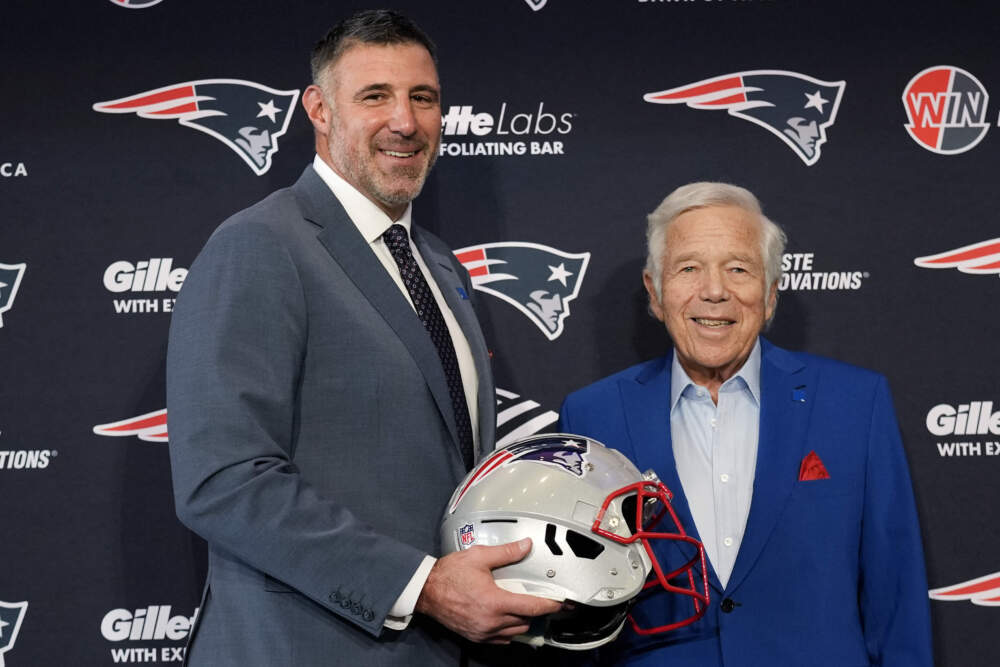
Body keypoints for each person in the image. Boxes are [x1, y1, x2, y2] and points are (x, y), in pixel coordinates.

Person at [166, 10, 560, 667]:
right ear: (319, 110)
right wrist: (423, 586)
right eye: (375, 96)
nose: (405, 121)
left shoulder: (440, 265)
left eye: (423, 97)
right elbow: (223, 478)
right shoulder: (260, 245)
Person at [558, 182, 932, 666]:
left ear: (770, 293)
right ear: (655, 292)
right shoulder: (593, 415)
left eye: (738, 269)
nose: (715, 291)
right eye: (688, 268)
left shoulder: (855, 403)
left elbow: (896, 596)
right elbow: (576, 603)